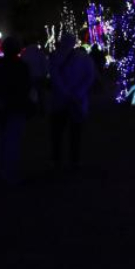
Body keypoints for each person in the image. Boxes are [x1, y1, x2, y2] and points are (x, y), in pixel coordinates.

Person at [0, 35, 33, 184]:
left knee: (3, 139)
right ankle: (10, 170)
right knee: (13, 140)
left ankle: (2, 168)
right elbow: (26, 87)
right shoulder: (22, 66)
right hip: (16, 108)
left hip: (1, 107)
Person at [48, 33, 95, 169]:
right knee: (75, 132)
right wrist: (79, 92)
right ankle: (74, 160)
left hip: (60, 100)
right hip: (77, 100)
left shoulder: (55, 57)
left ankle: (57, 160)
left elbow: (54, 77)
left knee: (57, 133)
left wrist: (65, 92)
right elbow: (90, 76)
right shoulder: (84, 57)